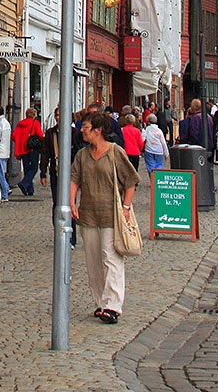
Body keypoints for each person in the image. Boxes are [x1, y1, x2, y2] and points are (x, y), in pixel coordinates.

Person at [70, 111, 139, 325]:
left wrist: (126, 207)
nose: (82, 130)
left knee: (111, 258)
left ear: (98, 131)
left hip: (111, 214)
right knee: (93, 261)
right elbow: (74, 178)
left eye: (86, 127)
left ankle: (113, 305)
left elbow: (130, 181)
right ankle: (100, 302)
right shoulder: (82, 154)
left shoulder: (115, 152)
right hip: (88, 213)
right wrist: (72, 202)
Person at [39, 106, 78, 246]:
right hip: (56, 173)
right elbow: (45, 154)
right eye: (56, 115)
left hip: (72, 175)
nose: (58, 117)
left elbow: (79, 153)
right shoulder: (50, 134)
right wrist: (42, 173)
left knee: (70, 203)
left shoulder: (74, 133)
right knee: (57, 204)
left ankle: (71, 237)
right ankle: (59, 234)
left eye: (60, 115)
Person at [11, 107, 44, 196]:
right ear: (34, 115)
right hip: (32, 149)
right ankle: (24, 183)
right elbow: (40, 135)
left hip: (23, 149)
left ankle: (30, 190)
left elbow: (14, 136)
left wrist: (21, 141)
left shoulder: (20, 124)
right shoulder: (35, 123)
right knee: (34, 168)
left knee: (27, 168)